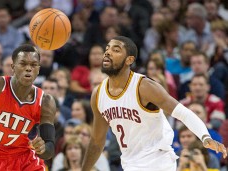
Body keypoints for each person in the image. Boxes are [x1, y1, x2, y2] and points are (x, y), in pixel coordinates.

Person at [81, 36, 227, 171]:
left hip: (158, 161)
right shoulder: (98, 94)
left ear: (129, 60)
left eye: (116, 50)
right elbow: (96, 141)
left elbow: (183, 113)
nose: (107, 53)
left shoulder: (144, 86)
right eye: (107, 48)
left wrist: (205, 137)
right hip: (130, 163)